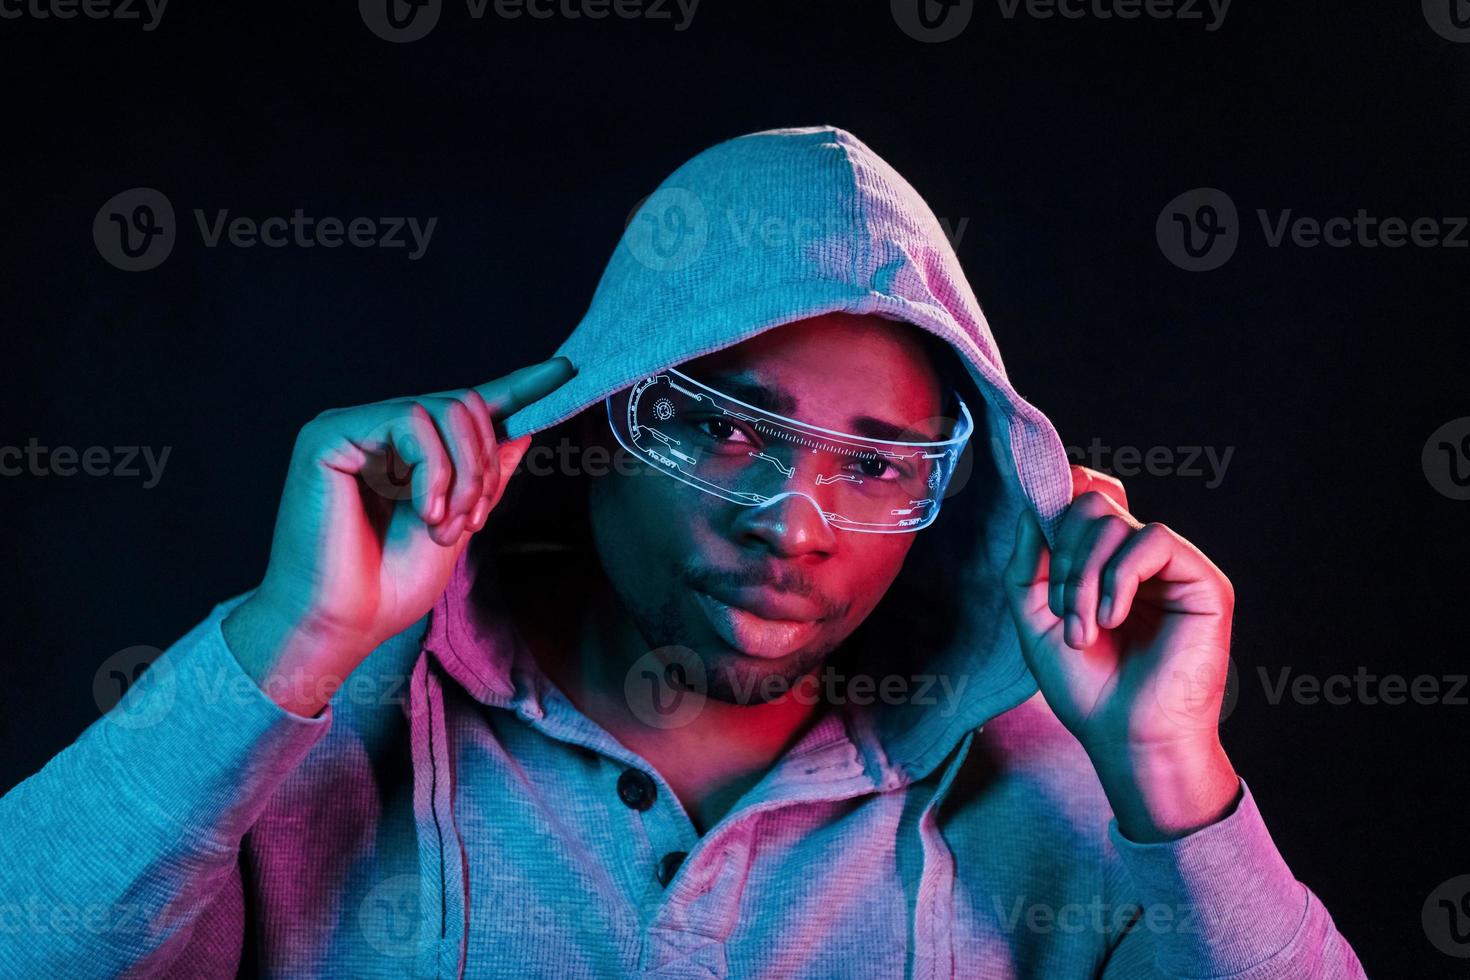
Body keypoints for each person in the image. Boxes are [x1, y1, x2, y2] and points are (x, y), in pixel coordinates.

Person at [0, 127, 1365, 978]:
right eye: (721, 430)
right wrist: (287, 644)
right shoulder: (314, 742)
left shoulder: (1064, 808)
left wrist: (1174, 777)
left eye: (878, 464)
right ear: (596, 417)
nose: (791, 520)